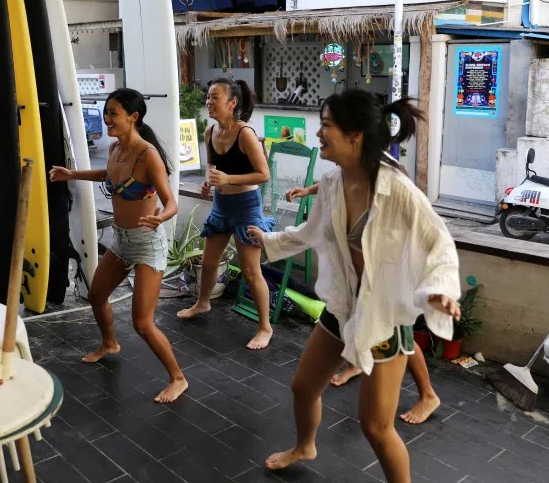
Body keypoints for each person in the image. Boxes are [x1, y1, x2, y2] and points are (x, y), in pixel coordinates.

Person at [245, 89, 461, 481]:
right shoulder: (331, 183)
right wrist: (269, 240)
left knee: (375, 426)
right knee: (303, 387)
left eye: (326, 126)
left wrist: (441, 287)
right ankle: (305, 446)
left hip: (382, 318)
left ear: (355, 134)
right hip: (343, 305)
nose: (318, 135)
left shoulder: (396, 189)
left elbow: (439, 241)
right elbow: (312, 231)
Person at [49, 88, 188, 403]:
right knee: (97, 296)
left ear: (133, 117)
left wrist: (160, 218)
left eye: (113, 113)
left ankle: (178, 378)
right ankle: (110, 343)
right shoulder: (115, 149)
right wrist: (72, 173)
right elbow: (109, 174)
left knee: (142, 322)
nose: (107, 118)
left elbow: (171, 203)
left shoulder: (147, 155)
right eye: (106, 112)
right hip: (122, 239)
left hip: (148, 244)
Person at [284, 185, 441, 425]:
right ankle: (355, 364)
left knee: (397, 334)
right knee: (351, 319)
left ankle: (428, 394)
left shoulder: (386, 172)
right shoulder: (348, 170)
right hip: (358, 280)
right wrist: (309, 191)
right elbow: (340, 178)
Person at [176, 79, 275, 349]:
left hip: (246, 207)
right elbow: (212, 167)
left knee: (251, 271)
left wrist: (228, 179)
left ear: (232, 103)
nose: (209, 102)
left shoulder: (245, 134)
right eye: (208, 97)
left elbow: (264, 174)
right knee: (209, 264)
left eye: (215, 97)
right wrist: (208, 182)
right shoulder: (210, 133)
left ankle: (265, 327)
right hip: (221, 205)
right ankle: (203, 303)